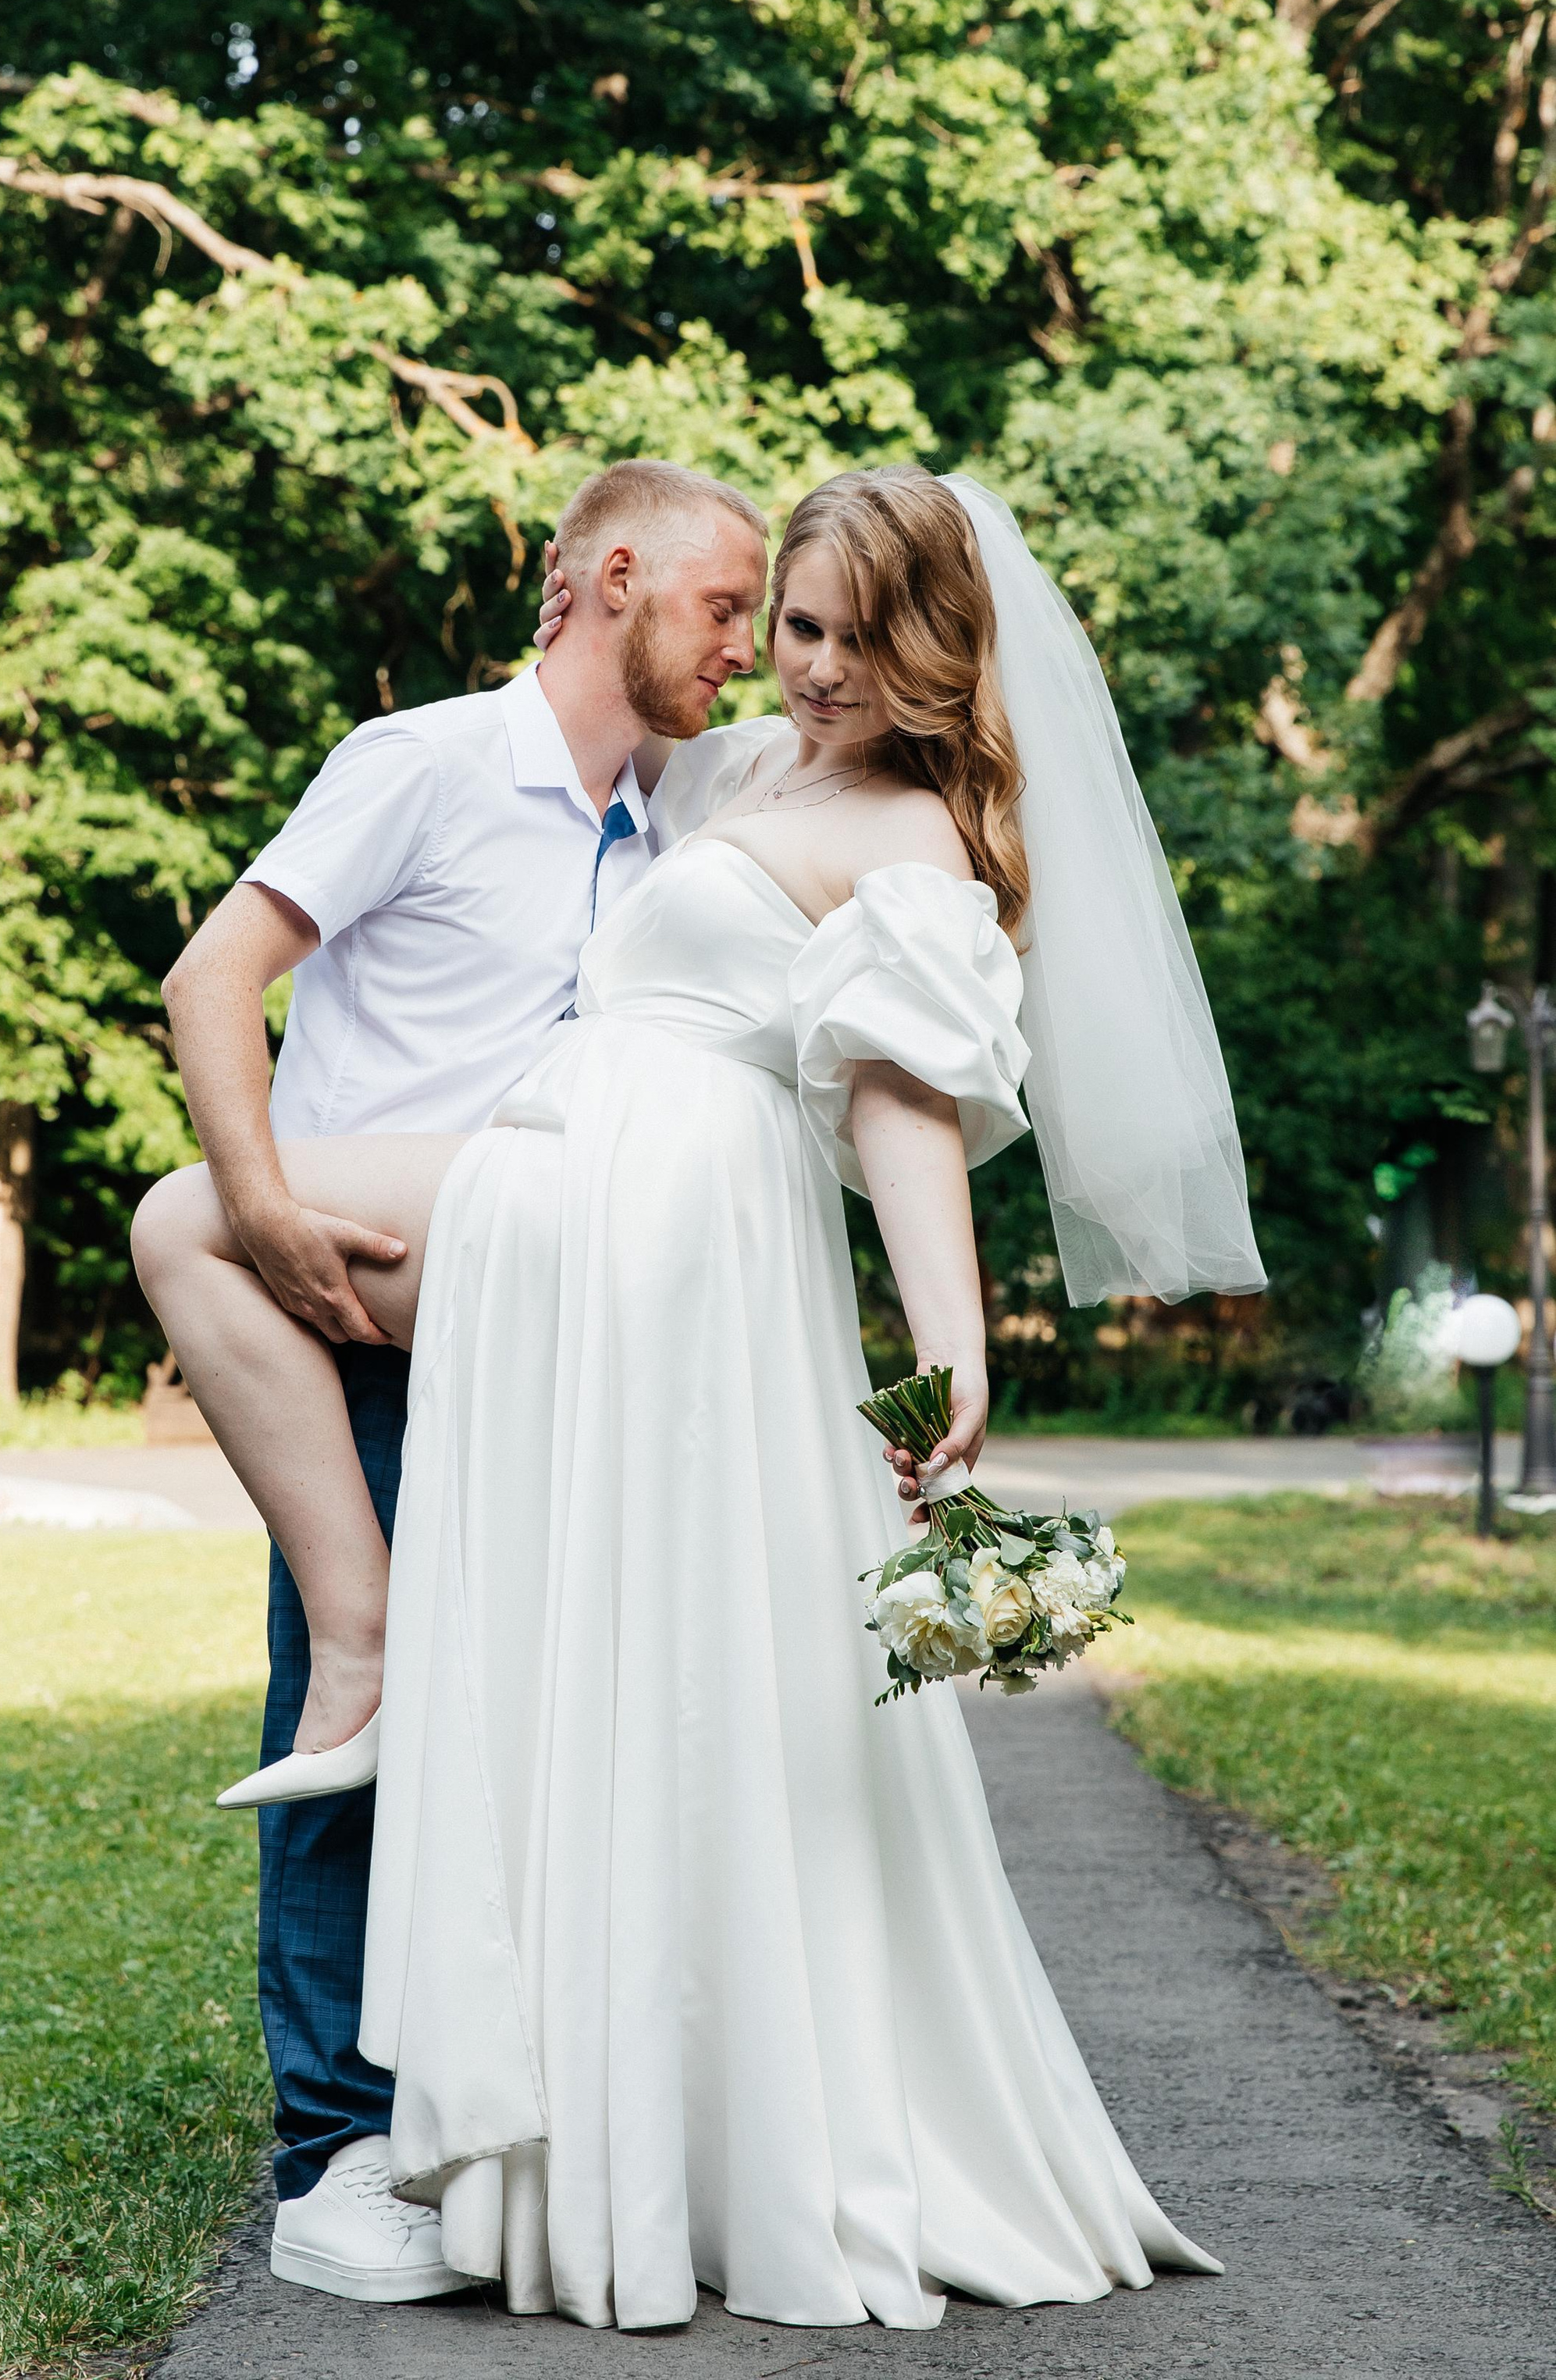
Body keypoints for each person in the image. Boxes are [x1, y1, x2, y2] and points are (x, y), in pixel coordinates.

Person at [147, 462, 1266, 2331]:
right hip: (582, 1184)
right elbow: (614, 716)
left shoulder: (900, 833)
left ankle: (392, 1725)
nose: (796, 662)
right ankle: (458, 2105)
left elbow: (903, 1112)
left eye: (834, 631)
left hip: (645, 1208)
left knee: (193, 1237)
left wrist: (947, 1349)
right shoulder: (723, 768)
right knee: (587, 1673)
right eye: (778, 621)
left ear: (928, 650)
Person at [131, 458, 771, 2303]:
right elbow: (210, 979)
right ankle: (334, 2156)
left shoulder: (670, 826)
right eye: (722, 607)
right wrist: (261, 1216)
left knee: (549, 1747)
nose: (738, 647)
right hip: (376, 1334)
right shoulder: (417, 760)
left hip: (572, 1352)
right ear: (608, 578)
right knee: (359, 1727)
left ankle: (505, 2126)